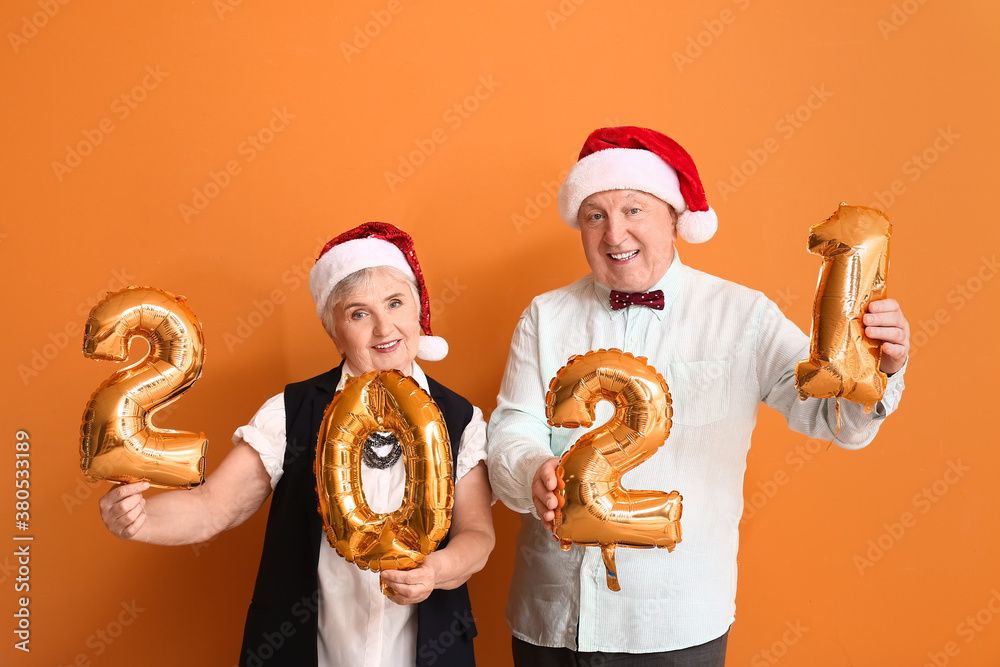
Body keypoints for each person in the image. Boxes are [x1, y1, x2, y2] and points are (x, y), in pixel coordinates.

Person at [486, 126, 909, 666]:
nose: (615, 233)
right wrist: (532, 470)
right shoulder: (544, 316)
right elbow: (512, 428)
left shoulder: (744, 317)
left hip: (678, 624)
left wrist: (882, 368)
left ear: (674, 218)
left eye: (634, 210)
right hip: (551, 622)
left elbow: (835, 421)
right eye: (595, 215)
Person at [99, 222, 494, 667]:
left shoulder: (460, 418)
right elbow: (214, 507)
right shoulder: (291, 411)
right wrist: (139, 519)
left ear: (417, 310)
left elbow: (477, 535)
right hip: (308, 652)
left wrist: (436, 572)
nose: (385, 327)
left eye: (395, 303)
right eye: (358, 313)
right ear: (334, 332)